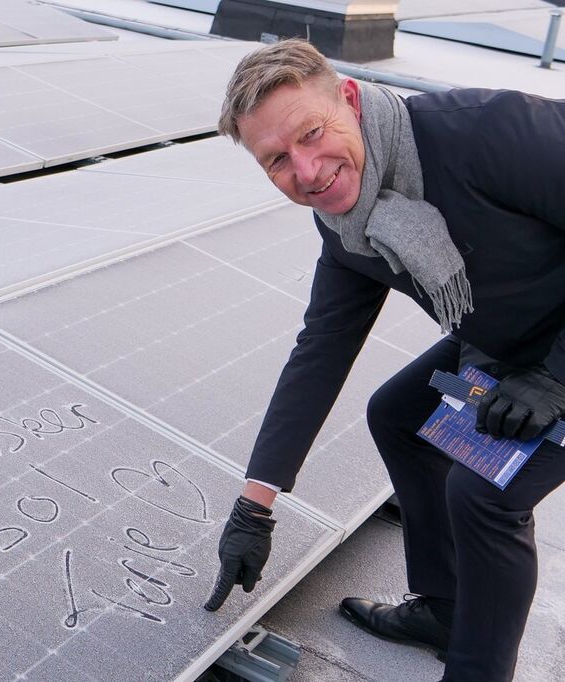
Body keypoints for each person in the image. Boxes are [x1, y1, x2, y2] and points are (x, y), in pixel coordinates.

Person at [200, 38, 565, 682]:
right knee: (398, 413)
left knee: (483, 492)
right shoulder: (349, 224)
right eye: (277, 160)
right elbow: (321, 348)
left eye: (312, 134)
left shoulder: (485, 131)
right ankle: (446, 606)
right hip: (508, 346)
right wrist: (254, 505)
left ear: (348, 96)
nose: (307, 171)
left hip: (553, 353)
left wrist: (555, 374)